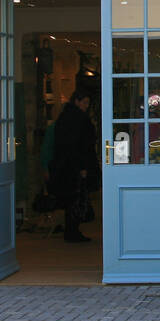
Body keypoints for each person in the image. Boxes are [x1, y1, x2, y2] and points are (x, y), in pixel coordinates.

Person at [42, 89, 98, 242]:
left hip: (64, 166)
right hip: (74, 166)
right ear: (77, 101)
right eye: (85, 102)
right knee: (76, 199)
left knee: (71, 199)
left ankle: (71, 230)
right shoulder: (79, 120)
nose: (86, 106)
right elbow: (80, 146)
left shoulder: (64, 118)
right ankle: (73, 231)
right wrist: (83, 167)